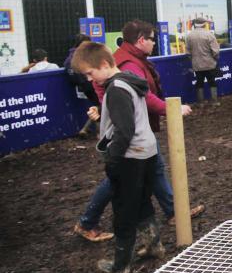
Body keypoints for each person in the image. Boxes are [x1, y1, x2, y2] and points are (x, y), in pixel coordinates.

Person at [73, 20, 203, 243]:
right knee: (118, 179)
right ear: (141, 40)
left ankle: (173, 212)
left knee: (154, 169)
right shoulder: (130, 65)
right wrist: (169, 109)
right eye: (152, 38)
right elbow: (143, 101)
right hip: (133, 138)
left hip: (133, 135)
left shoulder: (128, 60)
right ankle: (88, 222)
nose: (154, 42)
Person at [70, 42, 164, 273]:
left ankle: (121, 265)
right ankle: (154, 245)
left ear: (103, 64)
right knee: (142, 201)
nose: (91, 79)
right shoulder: (129, 79)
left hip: (130, 156)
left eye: (91, 73)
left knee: (123, 209)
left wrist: (113, 159)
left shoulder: (116, 89)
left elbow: (124, 129)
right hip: (147, 151)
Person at [64, 34, 100, 138]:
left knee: (98, 105)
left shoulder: (70, 57)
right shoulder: (82, 56)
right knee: (99, 106)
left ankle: (85, 129)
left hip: (81, 86)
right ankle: (98, 133)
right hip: (89, 84)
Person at [185, 17, 220, 105]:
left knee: (199, 82)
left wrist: (194, 60)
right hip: (209, 63)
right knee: (212, 81)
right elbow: (215, 51)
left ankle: (200, 102)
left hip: (197, 64)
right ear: (204, 24)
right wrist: (215, 60)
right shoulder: (209, 35)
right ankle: (214, 101)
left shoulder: (189, 36)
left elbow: (188, 52)